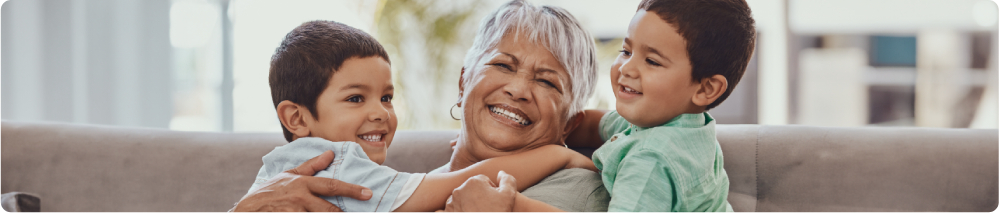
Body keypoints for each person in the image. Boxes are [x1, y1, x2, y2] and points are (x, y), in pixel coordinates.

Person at [231, 1, 609, 211]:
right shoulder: (364, 176)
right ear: (463, 84)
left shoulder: (578, 189)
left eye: (546, 81)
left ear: (569, 122)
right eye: (502, 65)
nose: (518, 89)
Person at [445, 0, 757, 211]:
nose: (628, 69)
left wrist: (512, 204)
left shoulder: (651, 161)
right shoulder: (661, 124)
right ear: (462, 83)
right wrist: (506, 128)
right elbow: (592, 124)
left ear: (706, 89)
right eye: (625, 51)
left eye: (547, 82)